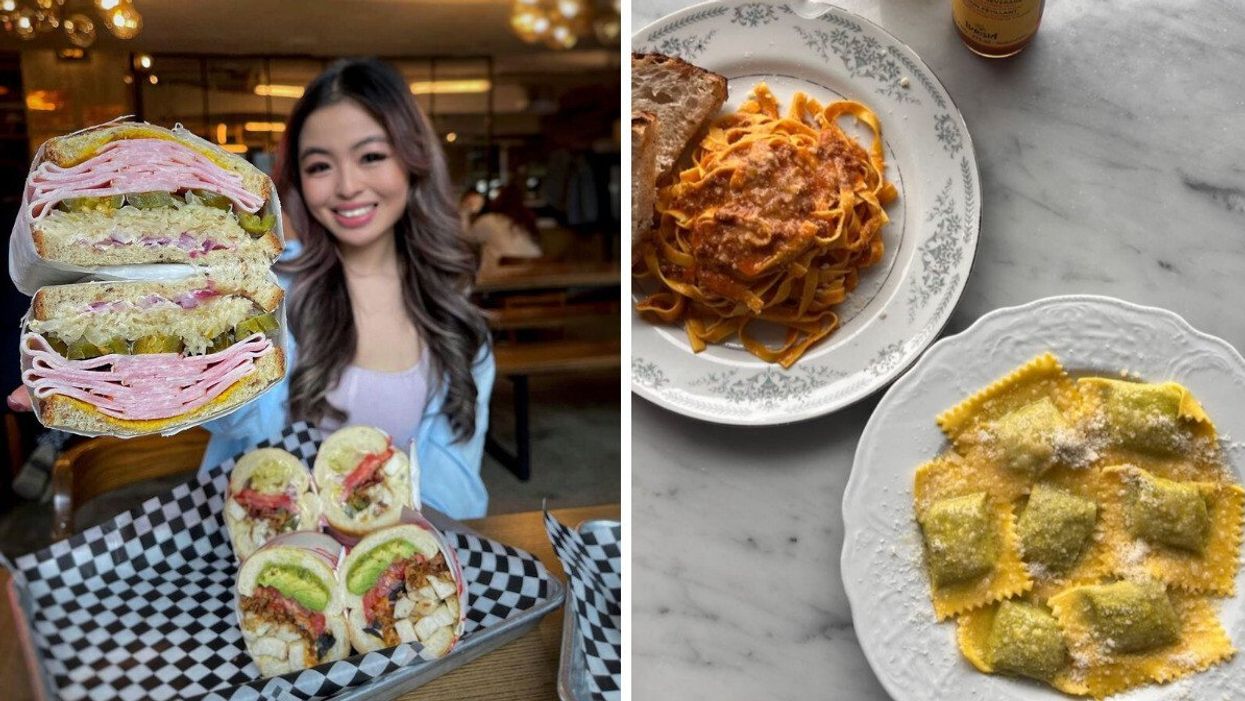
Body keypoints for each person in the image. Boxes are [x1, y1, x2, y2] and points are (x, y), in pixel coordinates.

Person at [9, 58, 495, 519]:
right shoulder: (261, 288)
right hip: (253, 534)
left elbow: (454, 490)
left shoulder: (458, 326)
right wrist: (123, 374)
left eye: (371, 156)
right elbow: (244, 422)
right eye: (319, 166)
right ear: (298, 181)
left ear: (413, 161)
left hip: (391, 549)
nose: (347, 185)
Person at [466, 182, 543, 273]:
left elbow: (467, 241)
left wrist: (465, 213)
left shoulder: (488, 220)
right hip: (533, 272)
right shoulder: (526, 223)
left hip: (501, 274)